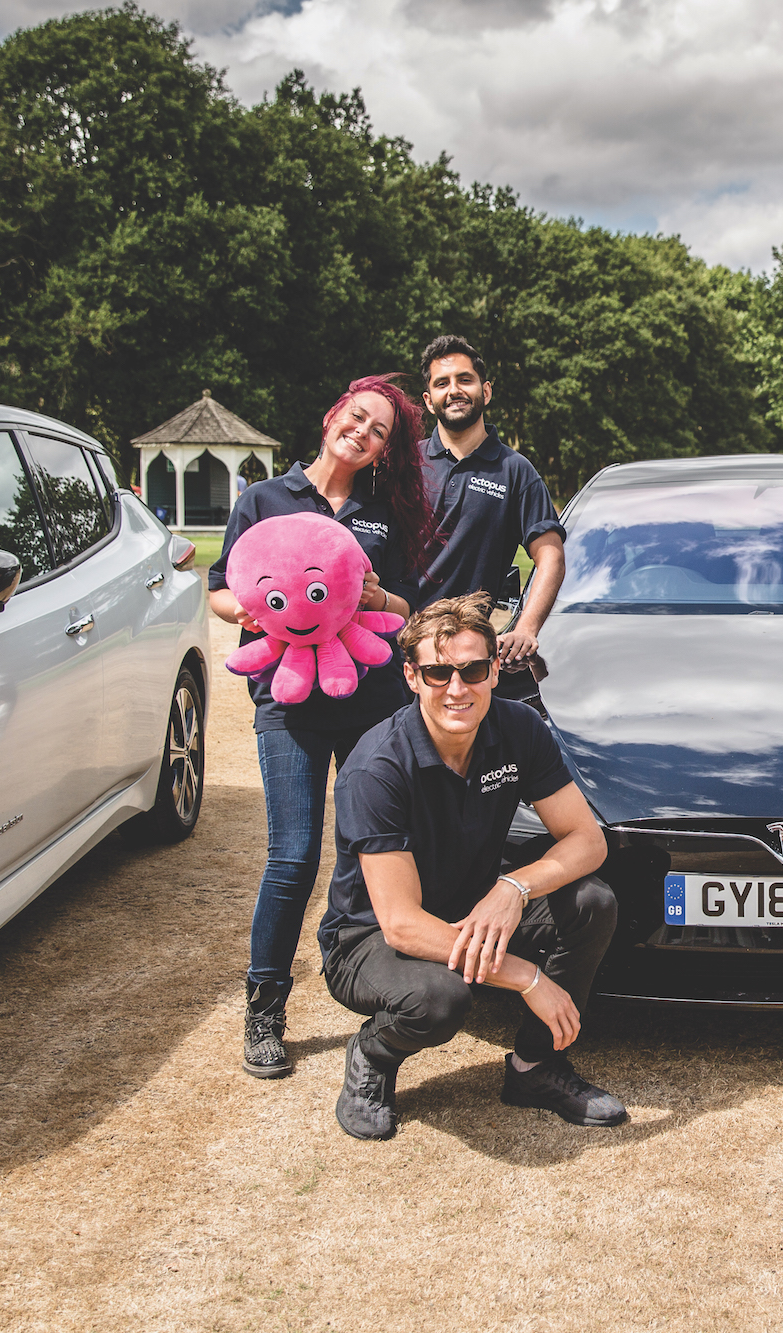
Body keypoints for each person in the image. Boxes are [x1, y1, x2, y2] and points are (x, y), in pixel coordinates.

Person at [318, 593, 624, 1141]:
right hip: (368, 939)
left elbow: (587, 840)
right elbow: (401, 924)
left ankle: (535, 1068)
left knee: (592, 902)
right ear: (412, 677)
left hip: (473, 903)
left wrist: (514, 887)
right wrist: (527, 978)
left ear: (493, 671)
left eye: (473, 670)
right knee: (440, 1000)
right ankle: (373, 1055)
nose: (457, 689)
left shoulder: (519, 728)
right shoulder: (376, 767)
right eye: (438, 673)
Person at [210, 375, 436, 1080]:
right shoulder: (263, 498)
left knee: (366, 850)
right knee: (292, 854)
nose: (363, 434)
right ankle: (265, 1005)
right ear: (334, 413)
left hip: (367, 700)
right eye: (358, 419)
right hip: (287, 705)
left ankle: (373, 985)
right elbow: (221, 587)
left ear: (382, 454)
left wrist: (381, 594)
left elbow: (412, 605)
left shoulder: (383, 513)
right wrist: (245, 610)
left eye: (380, 434)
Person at [415, 336, 565, 675]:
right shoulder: (407, 464)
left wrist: (526, 628)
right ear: (429, 400)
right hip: (397, 642)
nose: (453, 390)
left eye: (464, 380)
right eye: (442, 383)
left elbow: (551, 556)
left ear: (486, 391)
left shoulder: (515, 471)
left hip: (465, 653)